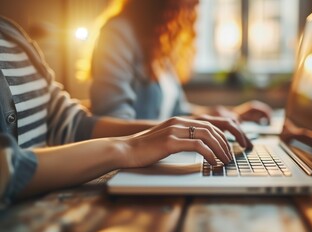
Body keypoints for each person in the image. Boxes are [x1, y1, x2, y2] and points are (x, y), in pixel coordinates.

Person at [0, 15, 253, 206]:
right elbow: (10, 169)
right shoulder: (120, 34)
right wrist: (129, 147)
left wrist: (194, 124)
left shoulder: (12, 35)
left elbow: (70, 123)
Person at [88, 0, 272, 123]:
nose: (198, 2)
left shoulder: (158, 41)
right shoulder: (117, 33)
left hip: (156, 160)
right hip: (128, 169)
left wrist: (232, 114)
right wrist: (187, 127)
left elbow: (177, 111)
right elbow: (113, 122)